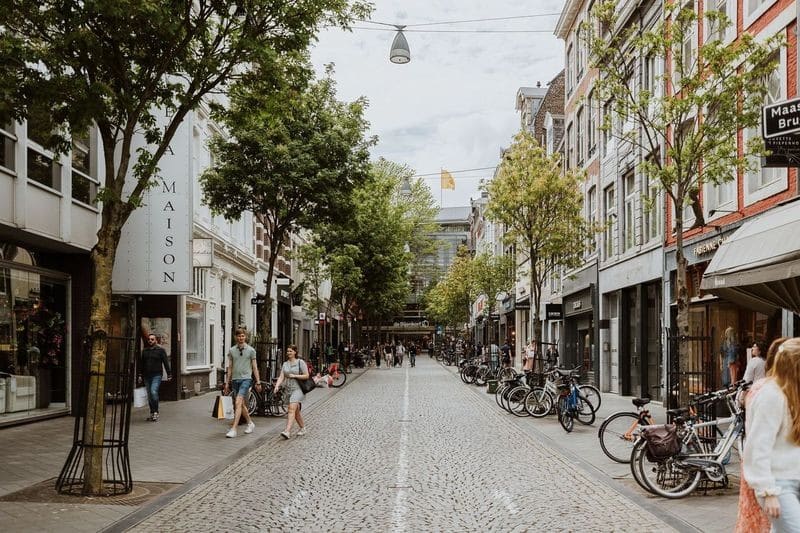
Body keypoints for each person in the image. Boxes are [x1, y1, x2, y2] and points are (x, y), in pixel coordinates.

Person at [743, 337, 800, 532]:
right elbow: (758, 446)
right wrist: (767, 491)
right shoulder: (771, 395)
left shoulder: (793, 393)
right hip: (779, 483)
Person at [736, 337, 787, 533]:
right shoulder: (773, 389)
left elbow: (745, 382)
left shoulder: (762, 384)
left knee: (756, 520)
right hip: (769, 472)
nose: (753, 349)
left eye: (756, 346)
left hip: (759, 469)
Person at [222, 328, 260, 438]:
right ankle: (250, 423)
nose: (241, 338)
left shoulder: (251, 350)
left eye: (243, 336)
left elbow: (254, 367)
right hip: (235, 380)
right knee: (241, 404)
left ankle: (234, 429)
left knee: (238, 402)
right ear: (236, 337)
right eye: (239, 336)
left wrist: (257, 381)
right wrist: (227, 382)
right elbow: (230, 367)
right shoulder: (232, 350)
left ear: (245, 337)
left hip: (246, 379)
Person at [274, 345, 308, 439]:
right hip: (288, 388)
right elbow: (281, 376)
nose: (288, 353)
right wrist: (277, 386)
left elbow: (306, 375)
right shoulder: (285, 364)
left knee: (291, 408)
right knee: (295, 411)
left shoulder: (300, 362)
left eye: (290, 351)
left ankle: (287, 431)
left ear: (295, 352)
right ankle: (303, 428)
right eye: (288, 351)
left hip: (298, 388)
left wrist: (295, 376)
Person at [139, 333, 172, 422]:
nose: (150, 340)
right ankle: (152, 412)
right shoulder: (145, 351)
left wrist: (169, 374)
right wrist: (139, 375)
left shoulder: (161, 350)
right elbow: (141, 364)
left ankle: (156, 412)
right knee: (149, 395)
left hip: (156, 375)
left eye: (152, 339)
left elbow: (165, 362)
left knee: (153, 392)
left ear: (156, 340)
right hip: (146, 375)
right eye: (149, 339)